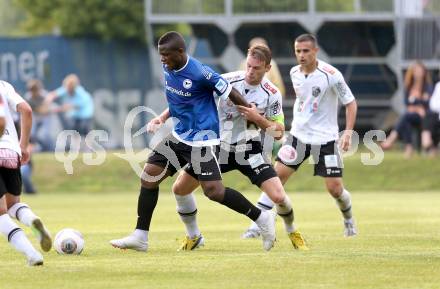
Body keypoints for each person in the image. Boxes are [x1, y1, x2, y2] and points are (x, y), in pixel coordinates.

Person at [109, 31, 276, 252]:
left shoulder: (201, 73)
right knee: (149, 177)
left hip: (203, 141)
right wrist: (162, 117)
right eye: (160, 55)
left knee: (213, 191)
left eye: (166, 55)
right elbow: (180, 100)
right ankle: (141, 236)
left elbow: (229, 91)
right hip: (179, 136)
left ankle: (261, 218)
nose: (162, 59)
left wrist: (251, 111)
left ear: (180, 52)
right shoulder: (169, 67)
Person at [170, 43, 308, 251]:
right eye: (249, 66)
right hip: (217, 147)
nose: (251, 72)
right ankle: (194, 236)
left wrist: (257, 118)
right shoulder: (226, 81)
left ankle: (292, 230)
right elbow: (190, 99)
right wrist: (164, 116)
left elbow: (279, 131)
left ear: (267, 69)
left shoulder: (271, 93)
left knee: (278, 196)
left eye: (257, 68)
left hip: (249, 149)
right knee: (180, 189)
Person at [242, 33, 358, 238]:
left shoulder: (331, 74)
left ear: (315, 51)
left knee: (335, 189)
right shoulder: (294, 72)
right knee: (275, 178)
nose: (301, 55)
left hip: (326, 139)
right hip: (298, 136)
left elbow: (350, 103)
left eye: (306, 51)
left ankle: (348, 219)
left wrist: (347, 133)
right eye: (298, 51)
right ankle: (257, 226)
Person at [0, 80, 52, 266]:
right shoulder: (3, 86)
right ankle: (32, 221)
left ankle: (32, 254)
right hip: (11, 152)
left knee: (0, 215)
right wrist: (23, 146)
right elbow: (27, 110)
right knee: (13, 205)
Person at [381, 61, 432, 158]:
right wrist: (418, 105)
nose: (418, 73)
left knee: (405, 116)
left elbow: (427, 104)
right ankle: (408, 146)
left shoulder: (428, 87)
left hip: (425, 116)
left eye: (420, 71)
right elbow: (408, 104)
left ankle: (395, 141)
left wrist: (416, 104)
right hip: (413, 115)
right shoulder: (408, 87)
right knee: (406, 119)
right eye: (416, 71)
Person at [46, 74, 94, 151]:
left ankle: (88, 149)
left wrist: (58, 109)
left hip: (85, 114)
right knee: (73, 132)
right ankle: (76, 149)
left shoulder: (80, 93)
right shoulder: (66, 89)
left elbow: (73, 106)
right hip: (74, 115)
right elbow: (52, 95)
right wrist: (48, 100)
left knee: (85, 132)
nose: (67, 89)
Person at [24, 79, 54, 152]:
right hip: (35, 116)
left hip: (45, 117)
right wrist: (41, 109)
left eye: (35, 90)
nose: (34, 92)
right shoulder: (28, 97)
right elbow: (36, 110)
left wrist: (44, 108)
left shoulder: (45, 95)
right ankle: (36, 149)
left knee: (43, 135)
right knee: (32, 133)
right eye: (32, 90)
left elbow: (47, 110)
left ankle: (51, 150)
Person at [421, 75, 440, 155]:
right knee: (429, 116)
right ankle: (428, 144)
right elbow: (433, 103)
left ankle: (429, 145)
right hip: (435, 113)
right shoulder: (438, 85)